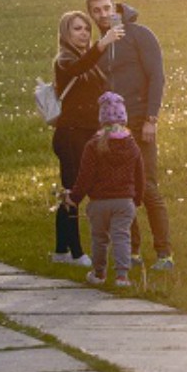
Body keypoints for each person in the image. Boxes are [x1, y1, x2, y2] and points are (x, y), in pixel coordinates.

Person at [86, 0, 168, 271]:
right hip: (112, 129)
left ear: (116, 7)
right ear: (91, 14)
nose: (102, 14)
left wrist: (151, 118)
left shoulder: (139, 34)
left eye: (106, 8)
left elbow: (157, 76)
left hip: (139, 121)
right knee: (123, 190)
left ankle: (164, 254)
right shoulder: (100, 47)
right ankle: (132, 252)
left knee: (148, 188)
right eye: (96, 11)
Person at [47, 11, 112, 267]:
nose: (84, 32)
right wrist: (102, 45)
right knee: (74, 191)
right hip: (71, 135)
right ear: (66, 33)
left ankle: (61, 251)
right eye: (77, 28)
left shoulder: (87, 60)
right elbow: (78, 69)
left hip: (88, 134)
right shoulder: (64, 60)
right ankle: (76, 253)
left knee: (71, 192)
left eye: (86, 28)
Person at [71, 92, 150, 288]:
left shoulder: (93, 145)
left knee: (99, 238)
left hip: (98, 202)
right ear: (124, 118)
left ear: (101, 119)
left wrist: (75, 197)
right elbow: (140, 175)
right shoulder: (132, 146)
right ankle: (122, 277)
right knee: (122, 236)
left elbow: (85, 176)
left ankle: (99, 274)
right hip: (124, 202)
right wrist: (137, 199)